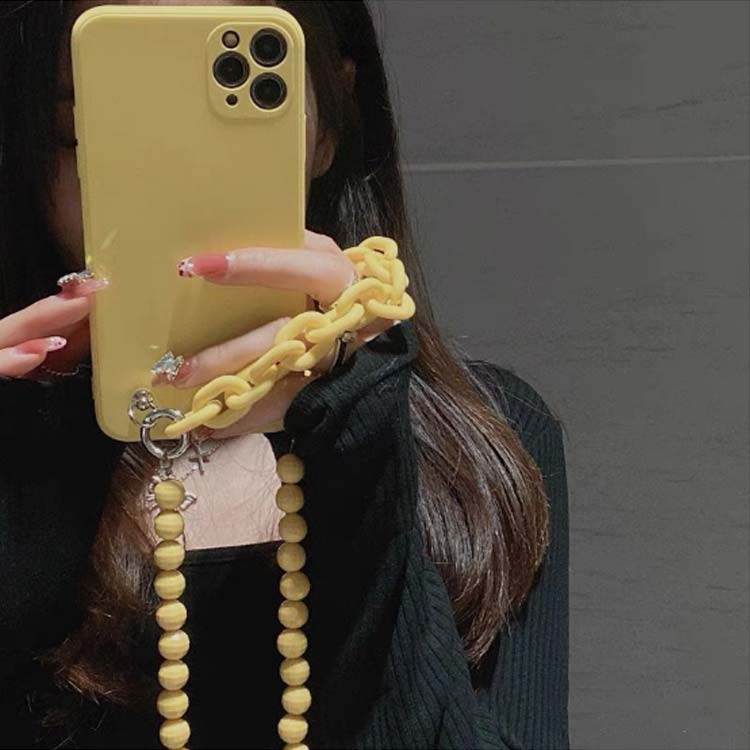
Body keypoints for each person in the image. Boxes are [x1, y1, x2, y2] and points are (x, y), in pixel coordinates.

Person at [0, 1, 570, 748]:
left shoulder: (477, 445)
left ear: (329, 122)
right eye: (85, 136)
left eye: (223, 131)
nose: (169, 179)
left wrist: (360, 425)